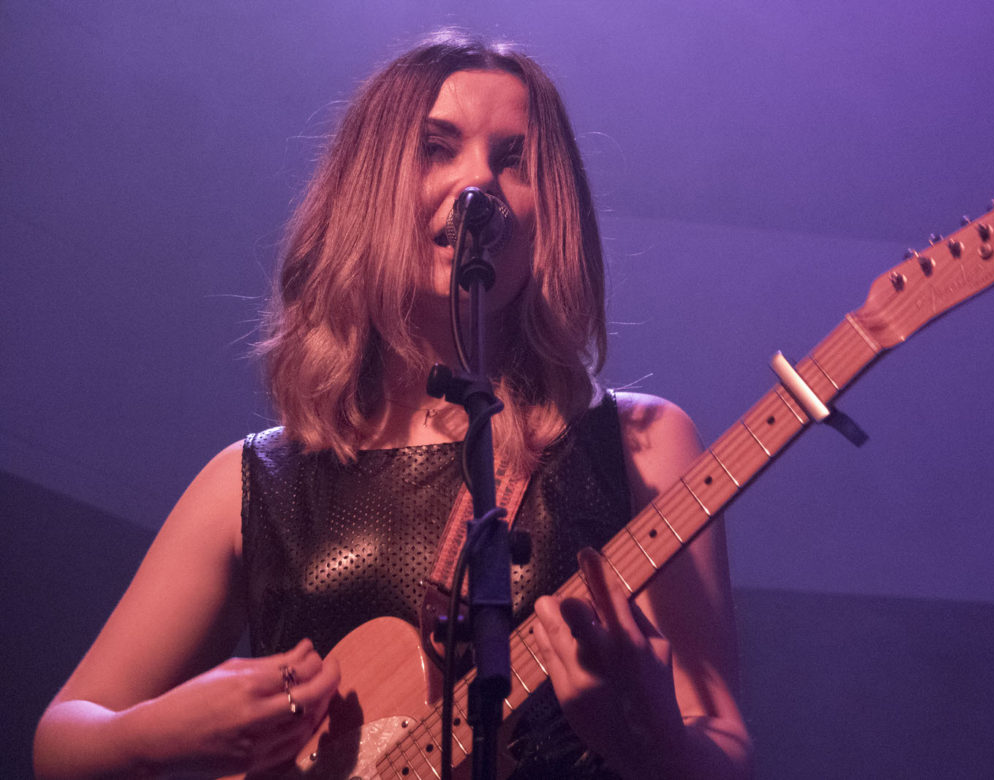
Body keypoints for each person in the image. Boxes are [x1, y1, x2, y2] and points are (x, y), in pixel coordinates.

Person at [33, 30, 752, 779]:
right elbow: (62, 740)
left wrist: (647, 740)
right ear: (370, 188)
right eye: (437, 148)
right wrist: (167, 731)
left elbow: (726, 744)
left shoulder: (638, 442)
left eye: (515, 160)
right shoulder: (254, 481)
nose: (480, 183)